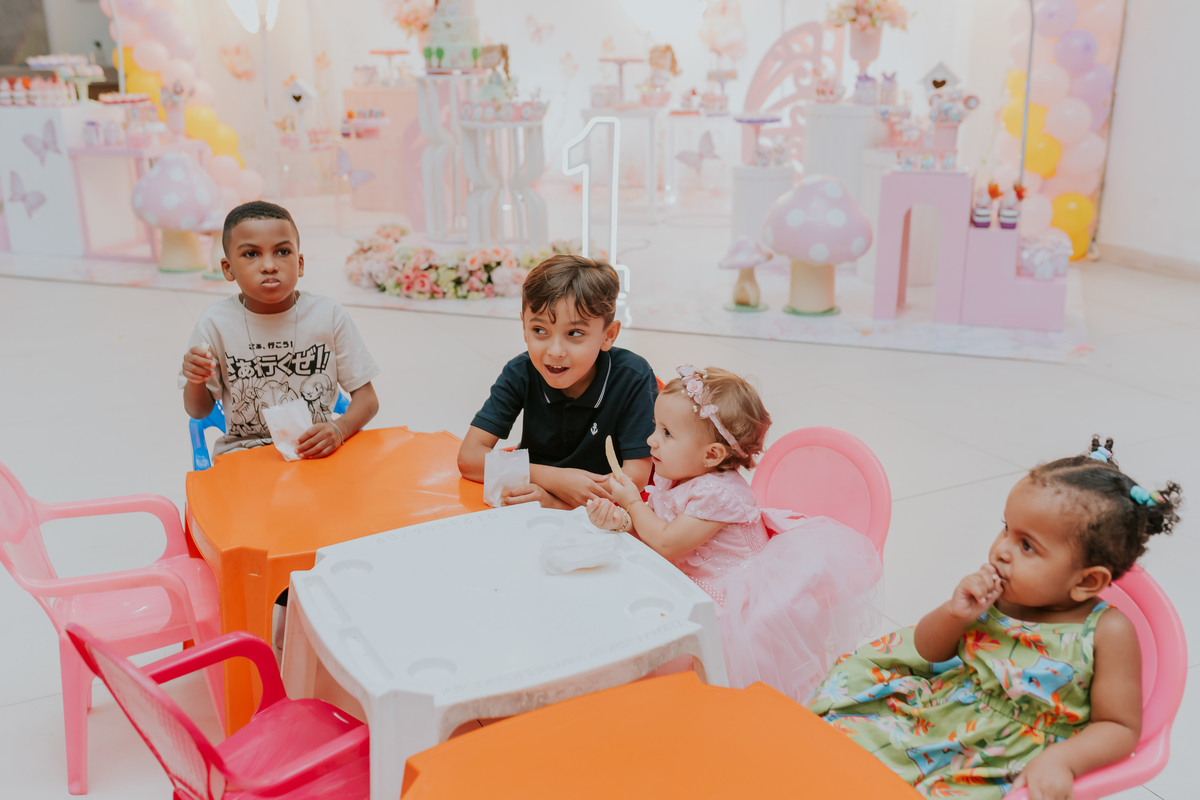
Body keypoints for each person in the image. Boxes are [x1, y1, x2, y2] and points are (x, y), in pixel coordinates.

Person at [807, 437, 1182, 800]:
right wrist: (955, 614)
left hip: (1005, 756)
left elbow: (1118, 727)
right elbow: (929, 650)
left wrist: (1062, 761)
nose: (1002, 550)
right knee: (840, 750)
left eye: (1026, 545)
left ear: (1087, 580)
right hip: (940, 714)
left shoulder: (1107, 631)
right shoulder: (1000, 592)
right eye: (1006, 528)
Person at [586, 365, 883, 702]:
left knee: (715, 658)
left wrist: (632, 504)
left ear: (711, 455)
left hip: (735, 595)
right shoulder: (677, 474)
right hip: (694, 576)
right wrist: (622, 521)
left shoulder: (718, 494)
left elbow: (667, 543)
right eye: (657, 426)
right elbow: (656, 530)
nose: (652, 439)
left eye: (667, 433)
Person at [180, 201, 380, 459]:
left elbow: (368, 399)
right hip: (244, 455)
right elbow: (199, 412)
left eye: (282, 252)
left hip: (317, 453)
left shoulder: (328, 315)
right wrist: (195, 380)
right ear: (228, 269)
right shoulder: (215, 323)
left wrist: (338, 429)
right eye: (251, 254)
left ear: (300, 264)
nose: (269, 265)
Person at [458, 254, 656, 508]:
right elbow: (469, 458)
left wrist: (553, 501)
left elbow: (634, 479)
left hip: (605, 515)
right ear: (524, 325)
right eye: (539, 331)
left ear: (609, 335)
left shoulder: (633, 376)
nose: (555, 351)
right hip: (534, 498)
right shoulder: (520, 371)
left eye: (575, 333)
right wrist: (554, 479)